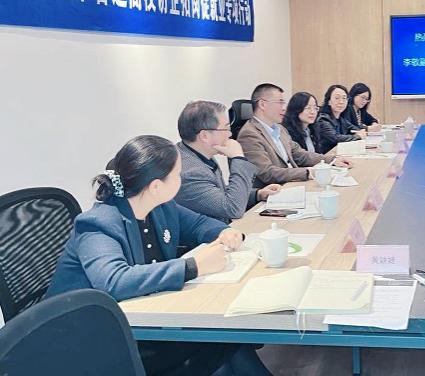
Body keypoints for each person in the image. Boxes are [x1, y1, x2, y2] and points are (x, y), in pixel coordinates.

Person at [46, 135, 271, 375]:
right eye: (177, 174)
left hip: (142, 315)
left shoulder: (160, 206)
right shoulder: (98, 223)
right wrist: (193, 266)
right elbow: (114, 281)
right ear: (155, 186)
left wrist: (224, 231)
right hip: (92, 334)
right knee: (217, 342)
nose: (181, 179)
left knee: (226, 340)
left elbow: (197, 224)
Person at [175, 100, 281, 222]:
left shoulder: (196, 153)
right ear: (204, 136)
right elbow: (233, 209)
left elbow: (217, 193)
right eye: (226, 129)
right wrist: (238, 157)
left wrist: (258, 194)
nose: (230, 134)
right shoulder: (190, 172)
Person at [237, 83, 352, 186]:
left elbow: (299, 154)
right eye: (280, 102)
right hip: (272, 192)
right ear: (263, 104)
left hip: (291, 184)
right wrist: (308, 172)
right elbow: (267, 173)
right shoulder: (249, 134)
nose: (284, 108)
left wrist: (332, 160)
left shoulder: (279, 128)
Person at [317, 84, 367, 154]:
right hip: (326, 157)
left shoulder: (341, 119)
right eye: (337, 98)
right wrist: (357, 136)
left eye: (344, 98)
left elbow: (356, 129)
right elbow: (335, 138)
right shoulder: (323, 119)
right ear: (329, 101)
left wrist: (361, 132)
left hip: (339, 154)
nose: (341, 102)